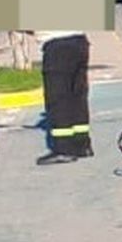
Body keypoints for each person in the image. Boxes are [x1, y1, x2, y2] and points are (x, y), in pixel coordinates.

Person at [36, 30, 93, 165]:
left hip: (58, 45)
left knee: (58, 99)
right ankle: (82, 144)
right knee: (77, 96)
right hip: (79, 41)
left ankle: (64, 149)